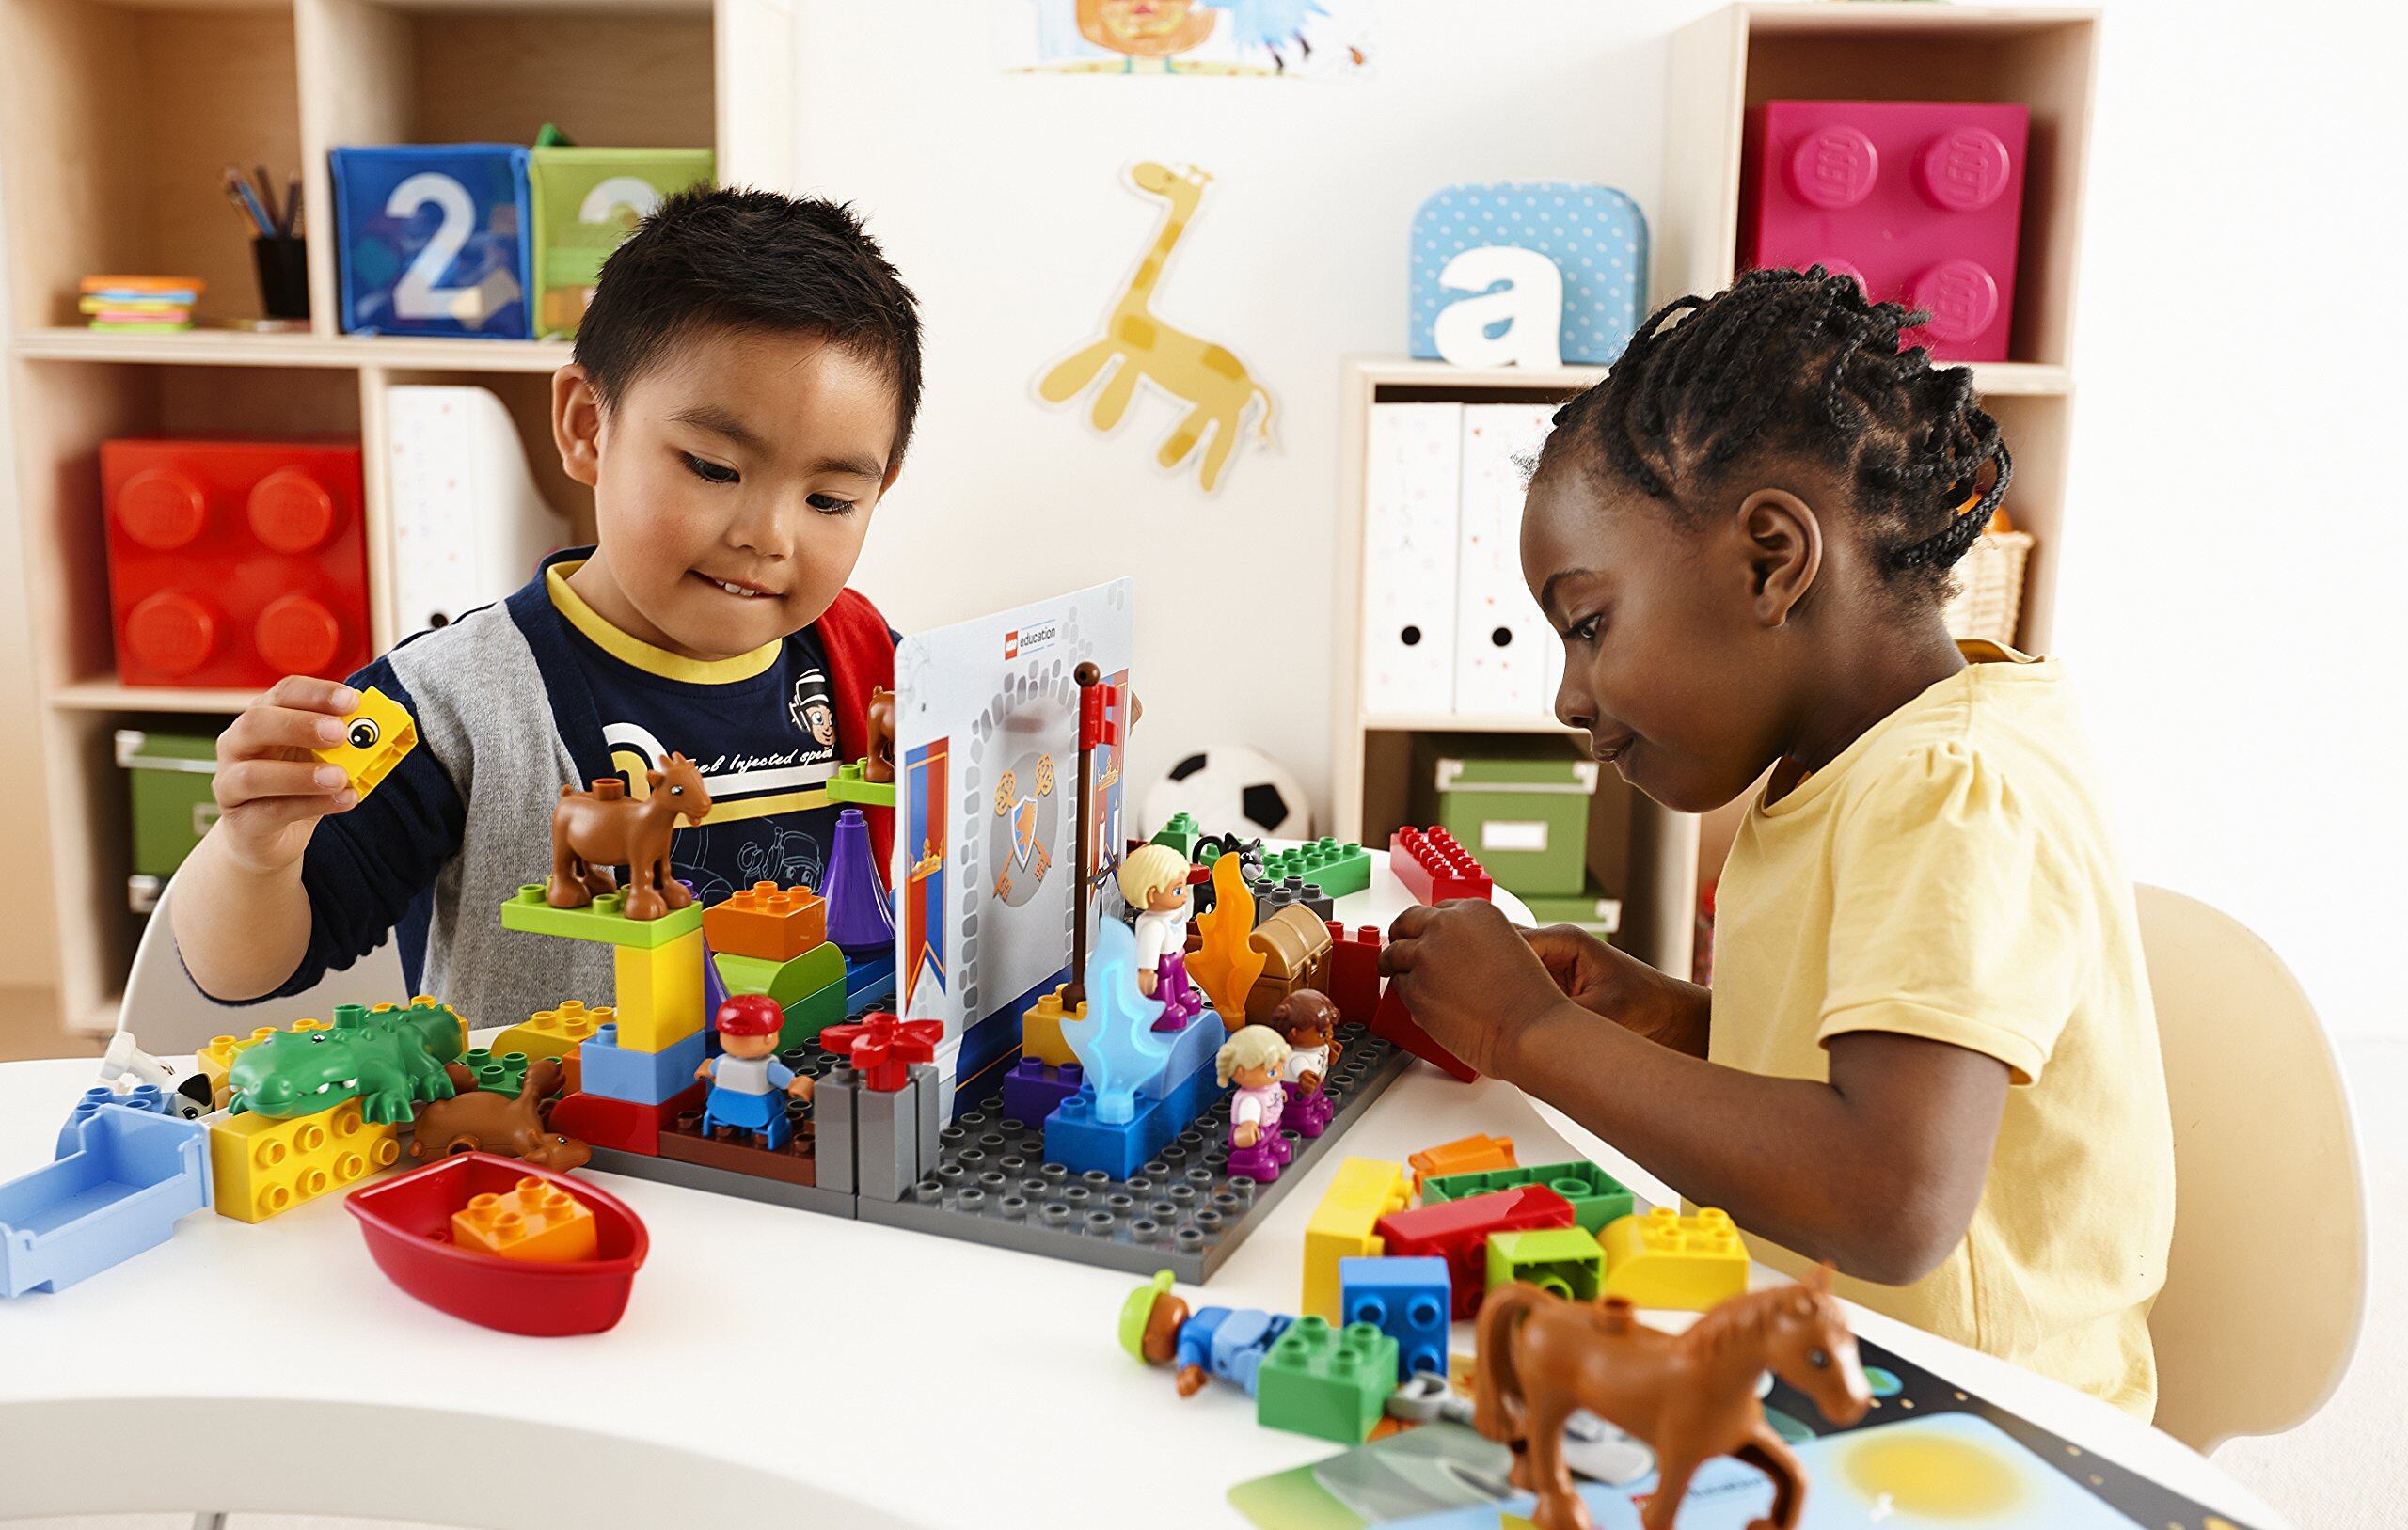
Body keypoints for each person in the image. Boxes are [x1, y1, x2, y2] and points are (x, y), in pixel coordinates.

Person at [1380, 269, 2175, 1418]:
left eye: (1589, 625)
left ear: (1771, 559)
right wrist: (1662, 1016)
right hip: (1839, 1362)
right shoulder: (1843, 767)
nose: (1567, 696)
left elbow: (1888, 1197)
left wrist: (1527, 1031)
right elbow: (1865, 1066)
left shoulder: (1945, 791)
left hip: (1981, 1423)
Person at [175, 188, 921, 1030]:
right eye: (714, 468)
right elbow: (243, 969)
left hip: (824, 1103)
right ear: (587, 426)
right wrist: (255, 853)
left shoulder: (880, 668)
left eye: (829, 500)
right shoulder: (446, 706)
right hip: (557, 1116)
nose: (768, 536)